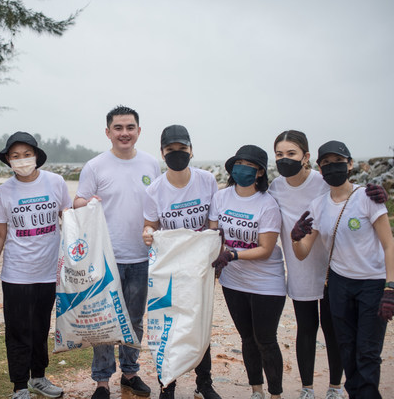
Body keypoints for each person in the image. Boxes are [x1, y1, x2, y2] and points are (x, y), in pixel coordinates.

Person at [290, 140, 394, 399]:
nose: (331, 167)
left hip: (372, 282)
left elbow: (389, 245)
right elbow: (302, 253)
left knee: (368, 352)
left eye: (338, 162)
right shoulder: (318, 205)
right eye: (325, 163)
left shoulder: (368, 197)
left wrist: (390, 287)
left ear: (349, 164)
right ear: (319, 168)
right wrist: (295, 237)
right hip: (338, 284)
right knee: (346, 348)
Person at [74, 105, 160, 399]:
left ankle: (130, 372)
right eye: (119, 128)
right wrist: (86, 202)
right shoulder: (95, 166)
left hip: (140, 256)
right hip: (103, 258)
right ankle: (101, 380)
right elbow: (78, 201)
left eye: (130, 127)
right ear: (108, 132)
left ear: (138, 131)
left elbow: (158, 208)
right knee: (104, 319)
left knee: (134, 318)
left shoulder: (151, 164)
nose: (125, 133)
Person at [0, 131, 71, 399]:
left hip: (48, 274)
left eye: (26, 155)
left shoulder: (56, 183)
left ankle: (39, 378)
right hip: (17, 274)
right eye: (15, 156)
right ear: (8, 161)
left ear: (36, 156)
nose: (21, 160)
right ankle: (20, 386)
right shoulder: (5, 191)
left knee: (40, 328)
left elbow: (69, 221)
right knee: (18, 330)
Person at [141, 125, 220, 399]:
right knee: (168, 325)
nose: (177, 154)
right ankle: (168, 383)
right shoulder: (154, 190)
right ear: (162, 153)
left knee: (200, 322)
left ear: (191, 150)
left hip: (199, 267)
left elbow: (213, 224)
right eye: (171, 150)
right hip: (170, 268)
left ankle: (204, 383)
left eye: (182, 149)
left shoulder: (207, 180)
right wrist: (148, 234)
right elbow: (150, 226)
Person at [208, 145, 285, 399]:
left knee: (266, 339)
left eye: (249, 165)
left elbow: (265, 248)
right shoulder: (221, 197)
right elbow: (213, 236)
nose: (241, 168)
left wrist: (233, 254)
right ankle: (256, 390)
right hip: (233, 281)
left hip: (266, 282)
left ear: (260, 172)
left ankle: (275, 393)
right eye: (238, 163)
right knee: (247, 338)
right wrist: (216, 259)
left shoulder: (268, 204)